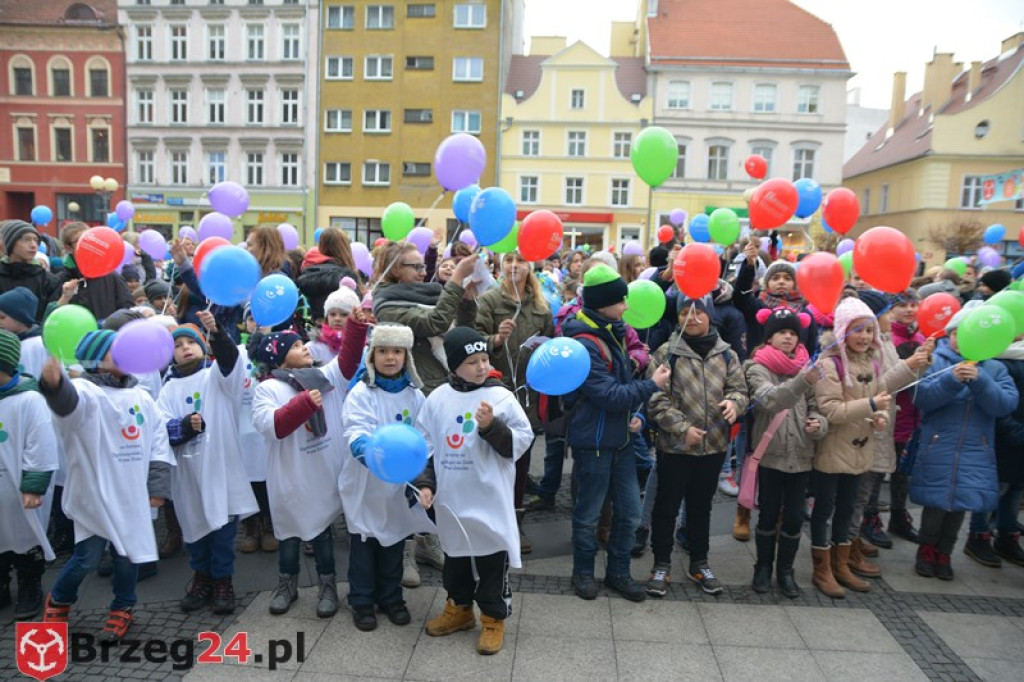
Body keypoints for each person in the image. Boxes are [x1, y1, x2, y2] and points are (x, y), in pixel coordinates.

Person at [39, 330, 174, 643]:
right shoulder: (87, 391)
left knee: (127, 557)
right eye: (117, 351)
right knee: (86, 557)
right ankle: (59, 599)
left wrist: (157, 486)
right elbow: (67, 405)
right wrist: (54, 385)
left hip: (131, 494)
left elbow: (157, 441)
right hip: (95, 495)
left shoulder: (142, 397)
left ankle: (123, 606)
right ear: (95, 359)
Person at [416, 327, 533, 655]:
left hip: (488, 498)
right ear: (454, 365)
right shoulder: (437, 398)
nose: (482, 366)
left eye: (484, 358)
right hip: (452, 499)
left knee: (492, 560)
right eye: (472, 361)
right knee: (455, 558)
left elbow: (521, 441)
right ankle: (459, 608)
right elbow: (424, 446)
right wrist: (426, 484)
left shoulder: (500, 397)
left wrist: (491, 427)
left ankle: (494, 617)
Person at [561, 264, 670, 602]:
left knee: (630, 513)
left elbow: (622, 387)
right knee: (589, 513)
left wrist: (636, 414)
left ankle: (618, 573)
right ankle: (583, 573)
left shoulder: (616, 329)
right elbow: (607, 395)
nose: (627, 306)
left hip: (622, 438)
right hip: (593, 441)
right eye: (621, 300)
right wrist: (652, 385)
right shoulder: (583, 341)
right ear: (603, 303)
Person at [372, 241, 478, 578]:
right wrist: (455, 282)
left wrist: (468, 300)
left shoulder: (427, 292)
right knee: (409, 473)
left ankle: (427, 539)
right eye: (413, 266)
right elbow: (434, 323)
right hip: (409, 396)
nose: (422, 272)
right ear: (393, 271)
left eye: (422, 266)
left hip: (438, 391)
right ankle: (405, 549)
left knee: (435, 474)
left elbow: (460, 331)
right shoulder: (388, 305)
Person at [251, 316, 366, 617]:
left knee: (322, 532)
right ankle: (287, 583)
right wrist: (303, 404)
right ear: (278, 356)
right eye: (296, 345)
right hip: (291, 476)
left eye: (303, 343)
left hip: (321, 473)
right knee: (289, 534)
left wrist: (355, 324)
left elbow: (349, 360)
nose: (304, 348)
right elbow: (272, 426)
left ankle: (327, 585)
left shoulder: (322, 376)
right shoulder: (268, 389)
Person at [810, 297, 920, 598]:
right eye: (858, 330)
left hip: (860, 450)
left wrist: (880, 416)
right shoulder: (828, 363)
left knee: (847, 509)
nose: (865, 337)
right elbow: (831, 408)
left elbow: (878, 398)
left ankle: (841, 563)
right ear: (843, 330)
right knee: (824, 510)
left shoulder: (871, 362)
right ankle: (822, 568)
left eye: (869, 330)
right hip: (833, 449)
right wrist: (871, 405)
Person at [645, 295, 747, 596]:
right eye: (685, 313)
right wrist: (682, 428)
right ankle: (660, 564)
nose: (692, 318)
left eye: (698, 312)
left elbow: (740, 390)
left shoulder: (727, 354)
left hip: (713, 446)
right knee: (666, 506)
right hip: (675, 447)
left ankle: (699, 562)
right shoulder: (667, 353)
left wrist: (734, 403)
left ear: (710, 316)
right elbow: (655, 398)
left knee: (701, 507)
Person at [158, 313, 257, 615]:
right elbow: (160, 428)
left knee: (223, 532)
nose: (185, 347)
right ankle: (202, 578)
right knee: (195, 529)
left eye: (191, 342)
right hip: (188, 474)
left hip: (220, 469)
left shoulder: (216, 375)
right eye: (178, 344)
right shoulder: (167, 389)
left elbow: (229, 361)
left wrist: (216, 332)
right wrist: (184, 427)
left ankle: (223, 581)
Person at [340, 323, 435, 630]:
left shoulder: (415, 395)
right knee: (365, 545)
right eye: (383, 351)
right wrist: (372, 452)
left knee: (394, 541)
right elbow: (355, 429)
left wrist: (419, 478)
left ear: (406, 356)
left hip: (398, 485)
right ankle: (362, 600)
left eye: (397, 351)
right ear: (372, 355)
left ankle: (391, 598)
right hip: (367, 482)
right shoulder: (361, 392)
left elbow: (425, 436)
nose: (390, 358)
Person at [912, 308, 1018, 579]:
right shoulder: (936, 360)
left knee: (960, 504)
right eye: (959, 333)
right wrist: (952, 380)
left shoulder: (994, 368)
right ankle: (926, 549)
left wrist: (981, 382)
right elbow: (923, 399)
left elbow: (1004, 405)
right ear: (952, 334)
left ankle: (945, 552)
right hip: (938, 444)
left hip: (976, 448)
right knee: (936, 504)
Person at [475, 250, 555, 555]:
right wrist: (496, 339)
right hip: (495, 391)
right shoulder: (489, 301)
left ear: (529, 266)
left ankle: (515, 523)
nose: (514, 266)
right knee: (492, 459)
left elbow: (549, 346)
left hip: (529, 397)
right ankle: (490, 520)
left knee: (521, 462)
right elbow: (475, 340)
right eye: (509, 260)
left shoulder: (541, 306)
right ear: (499, 265)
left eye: (520, 260)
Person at [743, 308, 826, 598]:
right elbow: (770, 400)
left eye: (793, 333)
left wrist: (820, 423)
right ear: (769, 338)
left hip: (802, 455)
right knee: (767, 515)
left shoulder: (809, 367)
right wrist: (804, 379)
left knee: (793, 518)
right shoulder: (756, 367)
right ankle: (763, 567)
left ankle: (786, 571)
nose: (788, 337)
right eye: (782, 332)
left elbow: (817, 406)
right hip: (770, 454)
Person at [0, 330, 58, 620]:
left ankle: (29, 584)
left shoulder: (28, 400)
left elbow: (40, 443)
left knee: (25, 537)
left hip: (20, 490)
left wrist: (33, 485)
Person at [886, 289, 925, 542]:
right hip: (891, 413)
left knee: (902, 472)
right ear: (891, 310)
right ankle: (870, 518)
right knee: (880, 469)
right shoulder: (888, 339)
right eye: (903, 305)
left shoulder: (922, 337)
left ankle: (898, 516)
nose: (910, 310)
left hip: (913, 415)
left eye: (913, 305)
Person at [734, 237, 819, 353]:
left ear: (795, 284)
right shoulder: (757, 307)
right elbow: (740, 297)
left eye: (787, 278)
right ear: (767, 283)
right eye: (775, 278)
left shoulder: (805, 314)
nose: (781, 281)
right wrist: (749, 266)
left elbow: (811, 348)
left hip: (796, 369)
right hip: (761, 367)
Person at [54, 222, 134, 321]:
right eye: (80, 240)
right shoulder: (59, 280)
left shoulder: (111, 276)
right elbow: (53, 318)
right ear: (68, 248)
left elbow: (128, 310)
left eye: (90, 239)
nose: (88, 244)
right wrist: (65, 297)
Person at [0, 220, 60, 323]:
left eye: (35, 240)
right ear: (10, 243)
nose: (33, 245)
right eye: (26, 239)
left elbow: (52, 319)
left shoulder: (49, 280)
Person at [296, 227, 362, 319]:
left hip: (311, 329)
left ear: (321, 247)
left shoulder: (306, 276)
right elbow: (357, 308)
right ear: (345, 247)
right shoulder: (347, 278)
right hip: (342, 331)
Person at [307, 281, 360, 365]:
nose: (337, 319)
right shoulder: (313, 347)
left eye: (344, 314)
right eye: (332, 314)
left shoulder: (361, 348)